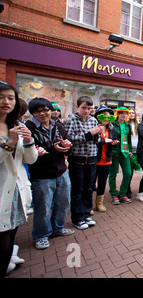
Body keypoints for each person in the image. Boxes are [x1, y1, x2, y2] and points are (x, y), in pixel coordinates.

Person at [0, 81, 38, 277]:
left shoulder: (17, 125)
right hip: (1, 192)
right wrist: (9, 144)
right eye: (1, 97)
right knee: (3, 240)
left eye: (10, 97)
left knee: (11, 235)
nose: (6, 102)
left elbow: (30, 160)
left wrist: (29, 141)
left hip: (18, 191)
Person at [25, 98, 74, 249]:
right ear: (33, 113)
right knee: (43, 207)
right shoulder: (29, 128)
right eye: (38, 111)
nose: (43, 113)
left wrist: (67, 146)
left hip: (61, 172)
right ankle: (41, 235)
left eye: (46, 110)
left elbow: (68, 142)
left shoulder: (58, 125)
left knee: (63, 202)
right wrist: (54, 148)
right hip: (41, 175)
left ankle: (57, 228)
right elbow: (34, 150)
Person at [65, 96, 102, 229]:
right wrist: (90, 134)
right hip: (77, 160)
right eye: (84, 108)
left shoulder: (93, 120)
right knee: (77, 190)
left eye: (89, 108)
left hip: (92, 159)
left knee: (88, 189)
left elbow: (96, 141)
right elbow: (69, 140)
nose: (86, 111)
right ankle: (77, 218)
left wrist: (97, 134)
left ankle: (87, 214)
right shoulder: (70, 120)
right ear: (77, 107)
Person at [92, 105, 118, 212]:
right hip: (94, 160)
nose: (106, 119)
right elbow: (91, 142)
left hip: (107, 160)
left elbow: (114, 141)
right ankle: (88, 205)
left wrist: (114, 143)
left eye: (109, 117)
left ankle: (99, 203)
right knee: (90, 183)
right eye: (104, 116)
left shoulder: (112, 129)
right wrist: (103, 142)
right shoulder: (94, 128)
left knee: (102, 183)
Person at [109, 107, 133, 204]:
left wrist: (130, 150)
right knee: (113, 174)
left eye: (125, 113)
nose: (124, 115)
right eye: (122, 113)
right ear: (117, 114)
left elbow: (128, 139)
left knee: (128, 173)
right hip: (114, 152)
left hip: (125, 152)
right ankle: (114, 194)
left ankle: (123, 193)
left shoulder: (128, 125)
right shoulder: (112, 125)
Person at [127, 108, 140, 198]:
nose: (131, 114)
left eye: (133, 113)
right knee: (129, 170)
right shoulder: (126, 124)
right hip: (129, 150)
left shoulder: (137, 124)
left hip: (137, 151)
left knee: (133, 170)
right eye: (130, 113)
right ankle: (127, 188)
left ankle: (128, 186)